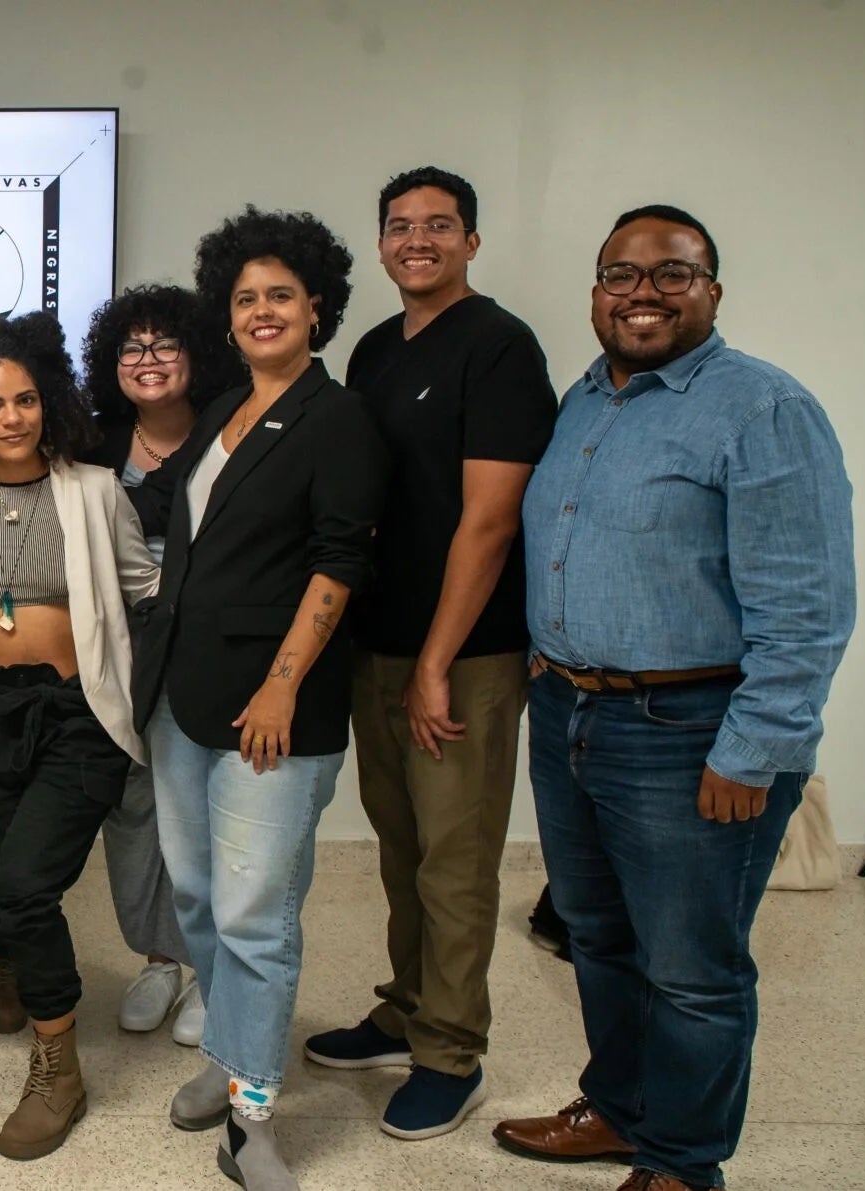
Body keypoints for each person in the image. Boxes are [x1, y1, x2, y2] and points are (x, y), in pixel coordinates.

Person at [493, 206, 855, 1191]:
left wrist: (755, 748)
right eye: (620, 274)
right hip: (571, 717)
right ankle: (620, 1110)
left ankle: (681, 1164)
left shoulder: (760, 410)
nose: (641, 292)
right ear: (595, 290)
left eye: (670, 274)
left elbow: (807, 604)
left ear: (711, 290)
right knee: (595, 935)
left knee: (690, 970)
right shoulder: (584, 399)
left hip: (690, 732)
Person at [129, 206, 388, 1191]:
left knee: (253, 916)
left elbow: (336, 562)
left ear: (316, 306)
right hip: (181, 704)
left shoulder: (336, 418)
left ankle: (252, 1116)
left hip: (270, 717)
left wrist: (281, 688)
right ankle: (222, 1056)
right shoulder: (223, 413)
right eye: (244, 298)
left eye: (280, 294)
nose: (261, 310)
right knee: (197, 898)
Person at [301, 167, 558, 1140]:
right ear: (379, 245)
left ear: (470, 243)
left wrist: (437, 663)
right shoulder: (371, 349)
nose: (418, 239)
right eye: (400, 226)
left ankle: (450, 1050)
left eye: (438, 225)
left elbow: (488, 521)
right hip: (380, 644)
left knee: (453, 862)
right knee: (401, 850)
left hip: (463, 657)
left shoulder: (495, 348)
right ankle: (404, 1009)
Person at [0, 312, 158, 1160]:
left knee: (21, 889)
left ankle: (59, 1066)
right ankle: (11, 954)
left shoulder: (94, 488)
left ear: (47, 403)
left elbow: (143, 586)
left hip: (78, 712)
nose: (10, 418)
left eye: (23, 400)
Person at [78, 284, 241, 1046]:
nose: (147, 361)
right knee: (133, 809)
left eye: (164, 345)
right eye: (131, 348)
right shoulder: (94, 439)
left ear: (196, 354)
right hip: (117, 652)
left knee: (202, 811)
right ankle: (158, 959)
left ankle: (210, 969)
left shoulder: (228, 432)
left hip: (204, 647)